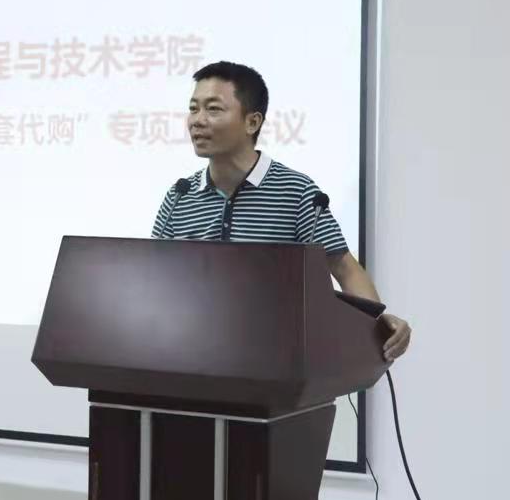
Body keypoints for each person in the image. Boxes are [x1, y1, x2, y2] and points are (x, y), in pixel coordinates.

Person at [150, 61, 411, 362]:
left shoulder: (296, 191)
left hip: (276, 360)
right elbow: (153, 277)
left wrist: (377, 327)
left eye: (213, 109)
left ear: (252, 122)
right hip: (192, 357)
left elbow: (343, 267)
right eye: (193, 109)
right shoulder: (180, 196)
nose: (197, 120)